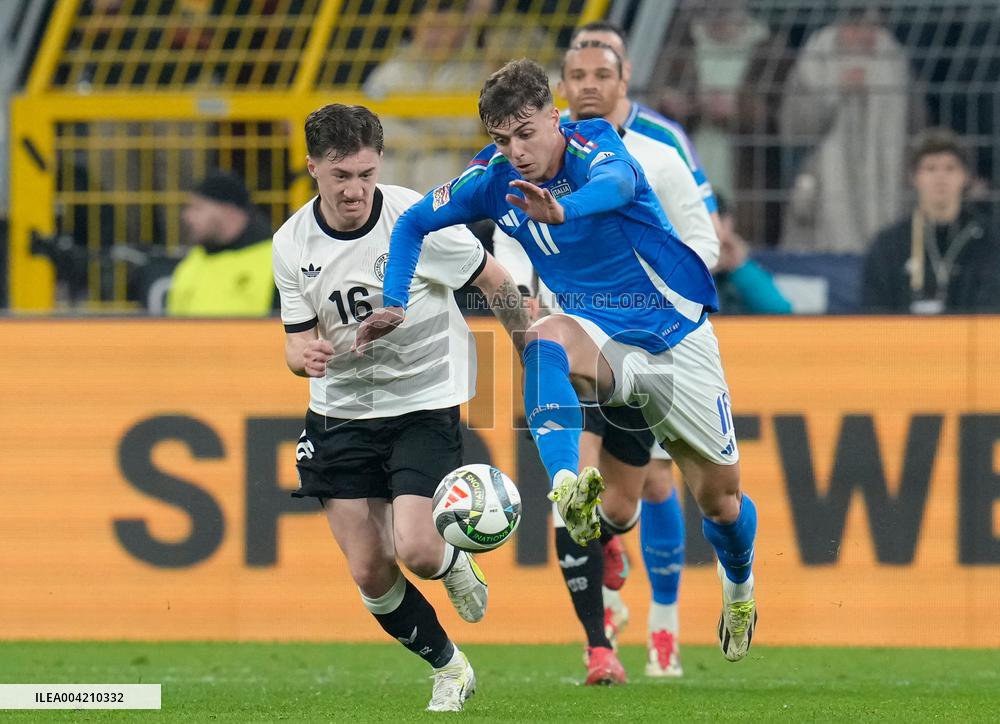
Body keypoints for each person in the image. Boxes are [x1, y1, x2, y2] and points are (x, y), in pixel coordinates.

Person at [357, 60, 760, 676]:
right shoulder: (492, 179)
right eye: (501, 139)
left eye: (526, 133)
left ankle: (739, 584)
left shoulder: (594, 141)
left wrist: (564, 212)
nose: (515, 152)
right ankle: (568, 484)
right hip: (597, 331)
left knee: (721, 502)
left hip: (675, 336)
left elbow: (621, 187)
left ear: (554, 116)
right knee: (541, 335)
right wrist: (392, 298)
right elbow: (413, 222)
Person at [272, 104, 529, 713]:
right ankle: (449, 666)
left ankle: (452, 558)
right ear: (313, 168)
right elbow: (293, 338)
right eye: (340, 175)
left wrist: (532, 352)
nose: (354, 189)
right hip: (338, 411)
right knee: (369, 570)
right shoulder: (291, 243)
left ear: (378, 163)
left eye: (364, 173)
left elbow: (494, 281)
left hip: (422, 399)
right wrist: (300, 356)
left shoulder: (418, 217)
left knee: (416, 548)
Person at [491, 40, 722, 682]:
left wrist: (666, 302)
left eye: (603, 72)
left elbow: (703, 241)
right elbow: (509, 240)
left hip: (648, 341)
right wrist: (521, 299)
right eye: (577, 74)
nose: (589, 83)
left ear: (625, 79)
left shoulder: (658, 151)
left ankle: (663, 616)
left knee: (639, 494)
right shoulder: (530, 155)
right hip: (571, 341)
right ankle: (600, 645)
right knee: (571, 489)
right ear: (559, 87)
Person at [779, 7, 923, 253]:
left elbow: (916, 126)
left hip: (884, 182)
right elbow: (793, 128)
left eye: (873, 28)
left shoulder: (895, 60)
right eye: (856, 28)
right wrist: (834, 91)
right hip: (824, 182)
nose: (865, 36)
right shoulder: (817, 58)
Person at [862, 127, 1000, 314]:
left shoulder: (989, 241)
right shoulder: (890, 245)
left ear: (965, 177)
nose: (940, 177)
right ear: (914, 177)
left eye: (950, 168)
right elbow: (874, 309)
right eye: (930, 168)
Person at [166, 171, 275, 316]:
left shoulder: (277, 260)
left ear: (228, 210)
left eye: (198, 208)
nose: (187, 216)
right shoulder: (192, 261)